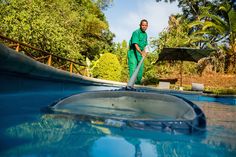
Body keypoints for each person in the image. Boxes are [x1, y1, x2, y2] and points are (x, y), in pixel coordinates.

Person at [127, 19, 148, 85]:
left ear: (147, 26)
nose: (144, 26)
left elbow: (144, 45)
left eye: (145, 25)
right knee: (133, 69)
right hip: (133, 53)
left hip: (140, 53)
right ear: (140, 25)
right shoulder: (136, 32)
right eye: (143, 25)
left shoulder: (145, 35)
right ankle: (131, 85)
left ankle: (137, 85)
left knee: (140, 70)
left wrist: (144, 52)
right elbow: (135, 44)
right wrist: (141, 52)